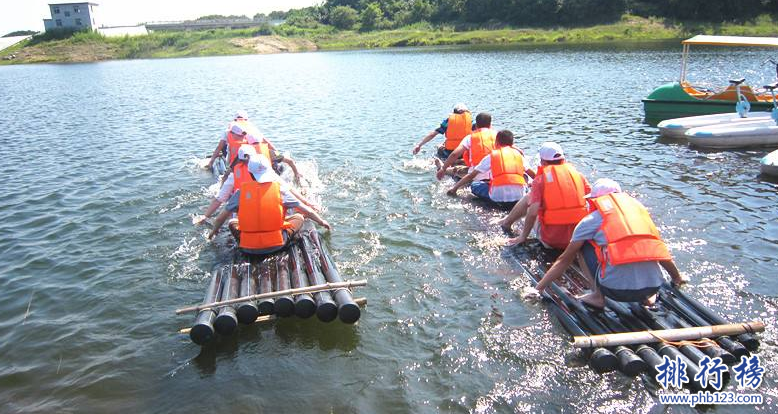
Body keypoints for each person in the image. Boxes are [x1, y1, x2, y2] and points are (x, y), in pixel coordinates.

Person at [530, 178, 688, 308]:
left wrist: (538, 288)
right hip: (653, 287)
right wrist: (676, 278)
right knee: (645, 243)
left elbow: (565, 260)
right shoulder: (641, 215)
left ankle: (597, 296)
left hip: (615, 291)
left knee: (582, 246)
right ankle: (647, 298)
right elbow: (660, 252)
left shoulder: (591, 220)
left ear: (595, 200)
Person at [207, 154, 331, 255]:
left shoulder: (241, 193)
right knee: (299, 217)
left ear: (250, 173)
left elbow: (220, 218)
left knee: (231, 222)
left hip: (248, 247)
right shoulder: (280, 190)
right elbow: (307, 211)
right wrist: (322, 222)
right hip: (277, 244)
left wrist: (212, 233)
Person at [506, 142, 590, 249]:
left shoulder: (540, 180)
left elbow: (532, 213)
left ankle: (507, 223)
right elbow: (593, 199)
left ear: (543, 162)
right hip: (577, 238)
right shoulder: (579, 176)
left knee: (529, 197)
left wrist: (523, 236)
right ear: (563, 160)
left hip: (551, 240)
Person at [446, 130, 532, 208]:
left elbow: (470, 176)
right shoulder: (518, 155)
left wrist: (454, 189)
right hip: (519, 197)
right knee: (525, 177)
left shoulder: (492, 156)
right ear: (512, 144)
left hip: (497, 197)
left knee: (474, 185)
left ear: (496, 142)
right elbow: (533, 174)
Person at [435, 112, 496, 181]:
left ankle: (443, 169)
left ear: (476, 126)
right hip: (495, 174)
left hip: (477, 175)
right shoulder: (498, 136)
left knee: (459, 169)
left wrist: (443, 168)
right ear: (490, 124)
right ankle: (454, 164)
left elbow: (455, 154)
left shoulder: (470, 138)